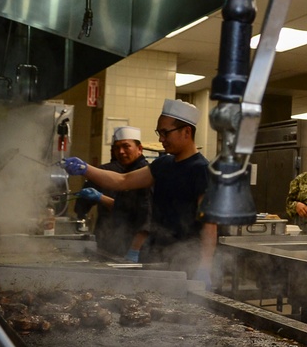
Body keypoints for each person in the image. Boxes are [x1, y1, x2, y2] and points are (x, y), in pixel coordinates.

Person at [62, 99, 219, 288]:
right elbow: (123, 181)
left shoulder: (202, 170)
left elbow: (209, 225)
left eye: (165, 132)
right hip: (156, 254)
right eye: (159, 132)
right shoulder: (163, 165)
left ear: (186, 132)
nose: (161, 139)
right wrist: (86, 168)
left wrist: (205, 266)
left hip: (186, 259)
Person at [73, 126, 151, 261]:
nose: (121, 152)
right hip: (119, 244)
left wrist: (134, 250)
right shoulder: (128, 171)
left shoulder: (144, 174)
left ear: (139, 149)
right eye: (117, 148)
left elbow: (148, 217)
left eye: (126, 146)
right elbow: (124, 208)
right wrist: (100, 197)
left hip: (137, 250)